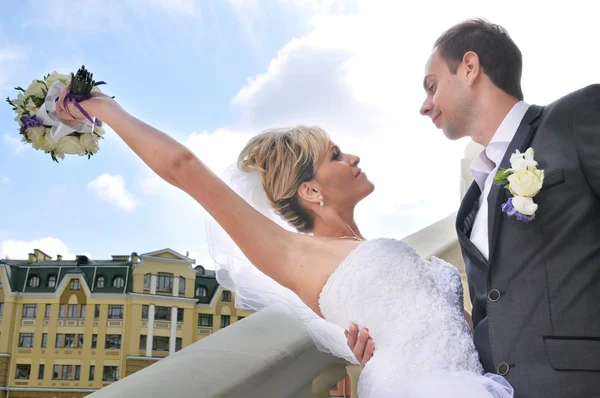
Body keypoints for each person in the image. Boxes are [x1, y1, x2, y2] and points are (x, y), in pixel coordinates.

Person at [56, 92, 513, 396]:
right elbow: (183, 167)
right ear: (310, 192)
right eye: (334, 155)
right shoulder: (295, 255)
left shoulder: (377, 250)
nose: (352, 157)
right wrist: (102, 106)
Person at [347, 18, 600, 398]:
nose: (424, 106)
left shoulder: (576, 117)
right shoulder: (471, 204)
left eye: (432, 86)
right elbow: (492, 315)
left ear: (469, 67)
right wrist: (399, 345)